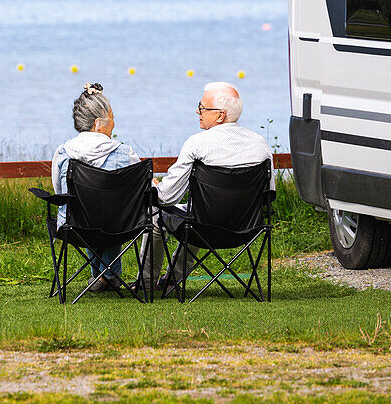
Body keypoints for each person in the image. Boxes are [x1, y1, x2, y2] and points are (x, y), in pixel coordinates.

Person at [140, 80, 275, 293]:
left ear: (220, 115)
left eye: (202, 107)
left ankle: (146, 285)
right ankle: (172, 282)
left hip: (203, 227)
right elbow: (269, 194)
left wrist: (156, 186)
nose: (198, 111)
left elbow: (167, 198)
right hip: (246, 229)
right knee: (198, 213)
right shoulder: (261, 145)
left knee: (159, 212)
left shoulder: (197, 144)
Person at [52, 81, 141, 293]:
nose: (114, 121)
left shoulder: (63, 153)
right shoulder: (124, 153)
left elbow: (59, 191)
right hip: (118, 228)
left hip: (74, 226)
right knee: (109, 213)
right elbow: (141, 188)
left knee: (90, 211)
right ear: (99, 124)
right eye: (112, 116)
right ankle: (108, 276)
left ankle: (102, 276)